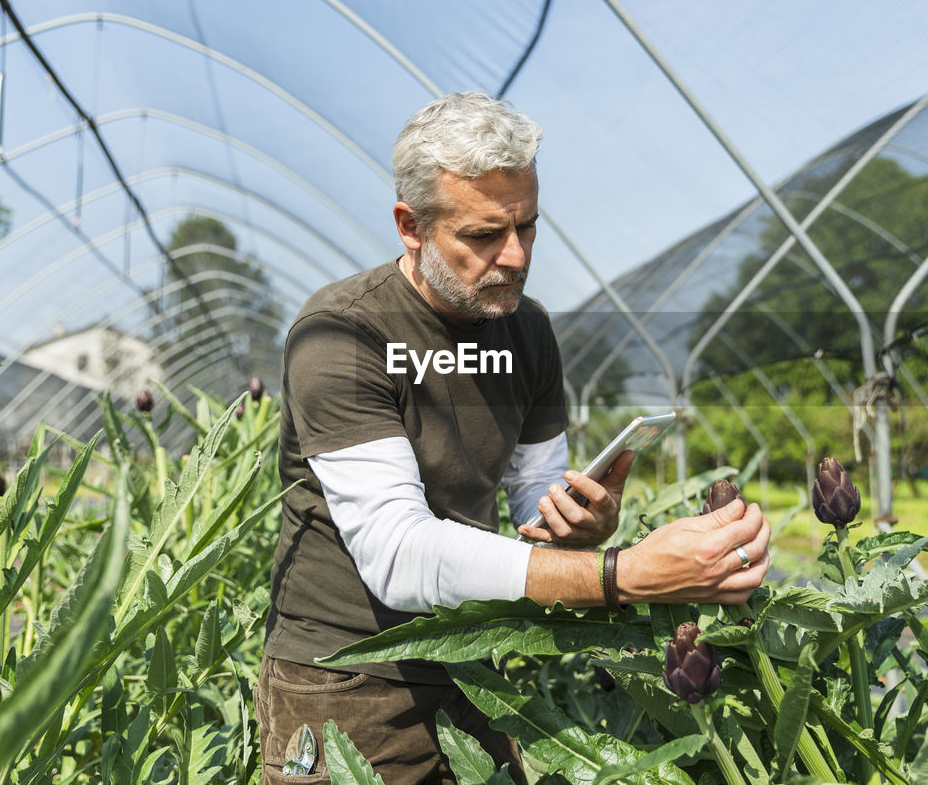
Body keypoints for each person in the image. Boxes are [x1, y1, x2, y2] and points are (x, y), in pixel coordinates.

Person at [255, 92, 771, 784]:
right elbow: (400, 554)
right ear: (411, 225)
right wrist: (622, 575)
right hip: (346, 678)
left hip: (476, 657)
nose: (516, 255)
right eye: (483, 235)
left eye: (527, 226)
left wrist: (581, 518)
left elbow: (533, 494)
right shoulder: (343, 335)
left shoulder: (524, 330)